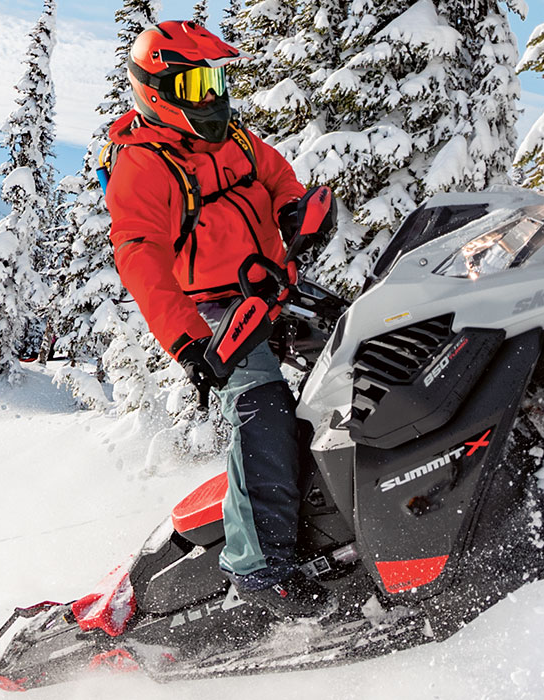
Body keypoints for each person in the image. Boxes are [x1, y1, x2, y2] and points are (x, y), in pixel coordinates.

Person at [103, 20, 329, 619]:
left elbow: (280, 179)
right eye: (198, 83)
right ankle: (259, 571)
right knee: (262, 405)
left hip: (276, 291)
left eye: (217, 80)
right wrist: (188, 341)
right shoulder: (143, 166)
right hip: (215, 314)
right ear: (159, 91)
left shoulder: (236, 139)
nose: (212, 96)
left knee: (353, 370)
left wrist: (295, 213)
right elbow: (139, 256)